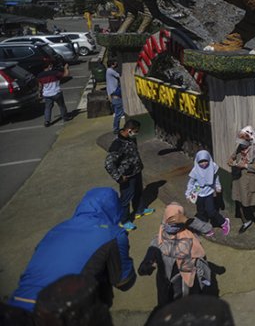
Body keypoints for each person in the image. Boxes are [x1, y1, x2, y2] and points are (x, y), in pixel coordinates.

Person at [8, 187, 136, 311]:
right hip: (59, 313)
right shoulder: (114, 234)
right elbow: (124, 282)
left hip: (17, 305)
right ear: (114, 208)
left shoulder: (57, 228)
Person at [137, 203, 212, 307]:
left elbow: (208, 229)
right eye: (169, 222)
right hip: (169, 287)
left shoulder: (189, 231)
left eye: (176, 222)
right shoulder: (158, 242)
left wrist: (187, 220)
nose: (172, 227)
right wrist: (148, 265)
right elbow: (142, 269)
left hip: (192, 281)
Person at [104, 119, 154, 231]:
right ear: (129, 130)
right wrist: (119, 177)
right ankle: (124, 220)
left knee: (138, 192)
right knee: (126, 199)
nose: (137, 133)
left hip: (136, 171)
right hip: (126, 176)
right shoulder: (117, 145)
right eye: (136, 131)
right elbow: (108, 164)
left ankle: (139, 210)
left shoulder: (131, 139)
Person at [228, 126, 255, 235]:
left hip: (252, 181)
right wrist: (231, 160)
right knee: (240, 202)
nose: (241, 144)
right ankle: (246, 221)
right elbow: (233, 155)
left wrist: (246, 166)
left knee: (254, 203)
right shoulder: (240, 147)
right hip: (239, 180)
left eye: (244, 142)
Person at [186, 150, 230, 236]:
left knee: (211, 211)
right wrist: (188, 194)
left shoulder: (212, 166)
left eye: (205, 161)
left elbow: (216, 178)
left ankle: (224, 222)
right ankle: (205, 228)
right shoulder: (195, 170)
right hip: (198, 194)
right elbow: (190, 183)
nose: (203, 163)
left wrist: (218, 186)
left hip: (208, 193)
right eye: (201, 162)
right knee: (201, 212)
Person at [37, 61, 71, 127]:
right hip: (56, 93)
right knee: (61, 106)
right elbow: (66, 75)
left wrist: (39, 93)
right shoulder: (54, 73)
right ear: (49, 66)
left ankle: (47, 121)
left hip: (47, 94)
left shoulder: (39, 75)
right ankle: (65, 117)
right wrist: (66, 68)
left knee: (48, 108)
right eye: (51, 66)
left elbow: (40, 86)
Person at [105, 59, 124, 134]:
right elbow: (119, 75)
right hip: (115, 95)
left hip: (113, 94)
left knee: (118, 112)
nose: (116, 64)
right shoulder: (110, 71)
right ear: (112, 64)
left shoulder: (108, 71)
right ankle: (116, 129)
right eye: (115, 63)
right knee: (118, 114)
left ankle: (116, 128)